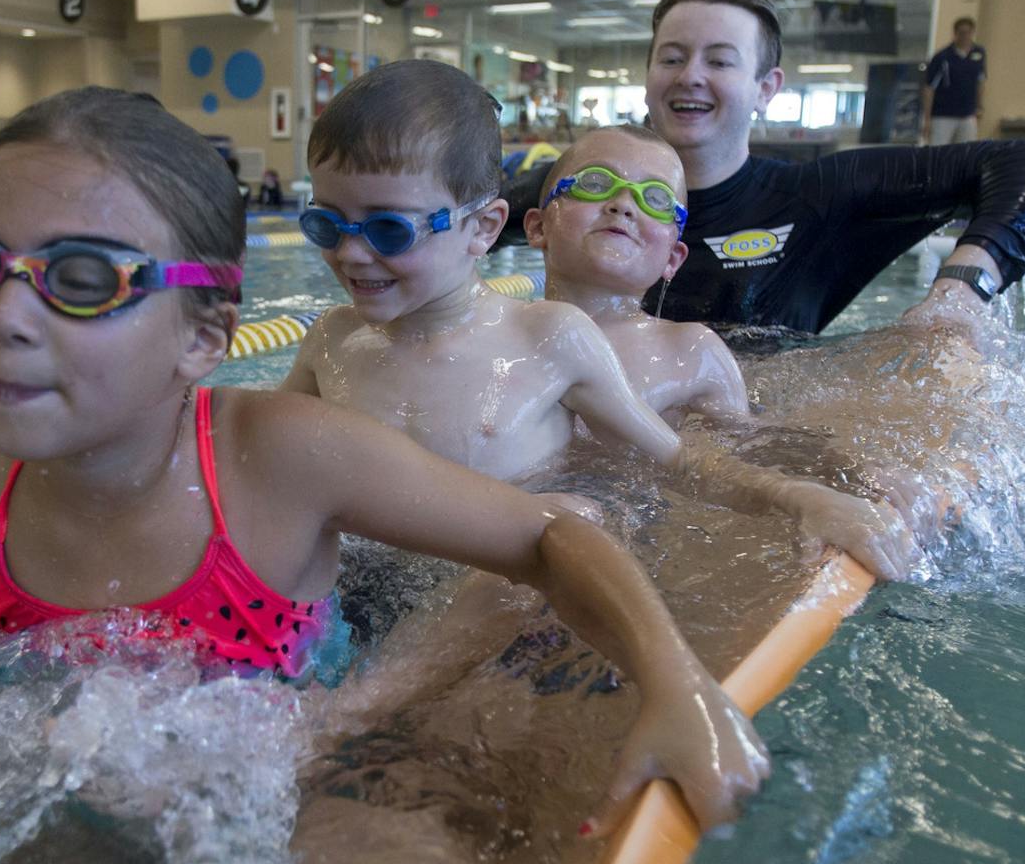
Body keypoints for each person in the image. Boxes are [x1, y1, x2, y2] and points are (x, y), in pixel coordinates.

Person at [0, 85, 769, 843]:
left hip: (324, 717)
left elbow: (561, 528)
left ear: (205, 334)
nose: (6, 318)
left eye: (82, 280)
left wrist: (681, 686)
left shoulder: (316, 444)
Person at [280, 59, 913, 579]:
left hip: (487, 600)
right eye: (324, 225)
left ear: (485, 228)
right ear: (536, 228)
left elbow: (688, 462)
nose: (349, 252)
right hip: (354, 587)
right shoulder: (333, 340)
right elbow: (255, 457)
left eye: (388, 230)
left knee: (575, 524)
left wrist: (812, 491)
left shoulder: (565, 340)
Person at [497, 0, 1025, 338]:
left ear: (766, 87)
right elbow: (456, 216)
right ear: (649, 76)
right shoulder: (579, 190)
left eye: (721, 62)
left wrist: (959, 295)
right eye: (672, 57)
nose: (690, 78)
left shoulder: (819, 196)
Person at [523, 124, 748, 421]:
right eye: (595, 182)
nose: (623, 204)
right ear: (539, 228)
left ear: (673, 259)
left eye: (656, 199)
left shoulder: (692, 354)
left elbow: (737, 462)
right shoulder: (501, 334)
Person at [921, 16, 987, 145]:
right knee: (939, 152)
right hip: (943, 115)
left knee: (967, 152)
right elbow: (929, 88)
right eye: (962, 33)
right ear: (955, 33)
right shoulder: (942, 57)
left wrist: (980, 106)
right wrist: (927, 119)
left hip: (967, 114)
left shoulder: (979, 53)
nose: (965, 36)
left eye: (968, 32)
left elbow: (981, 81)